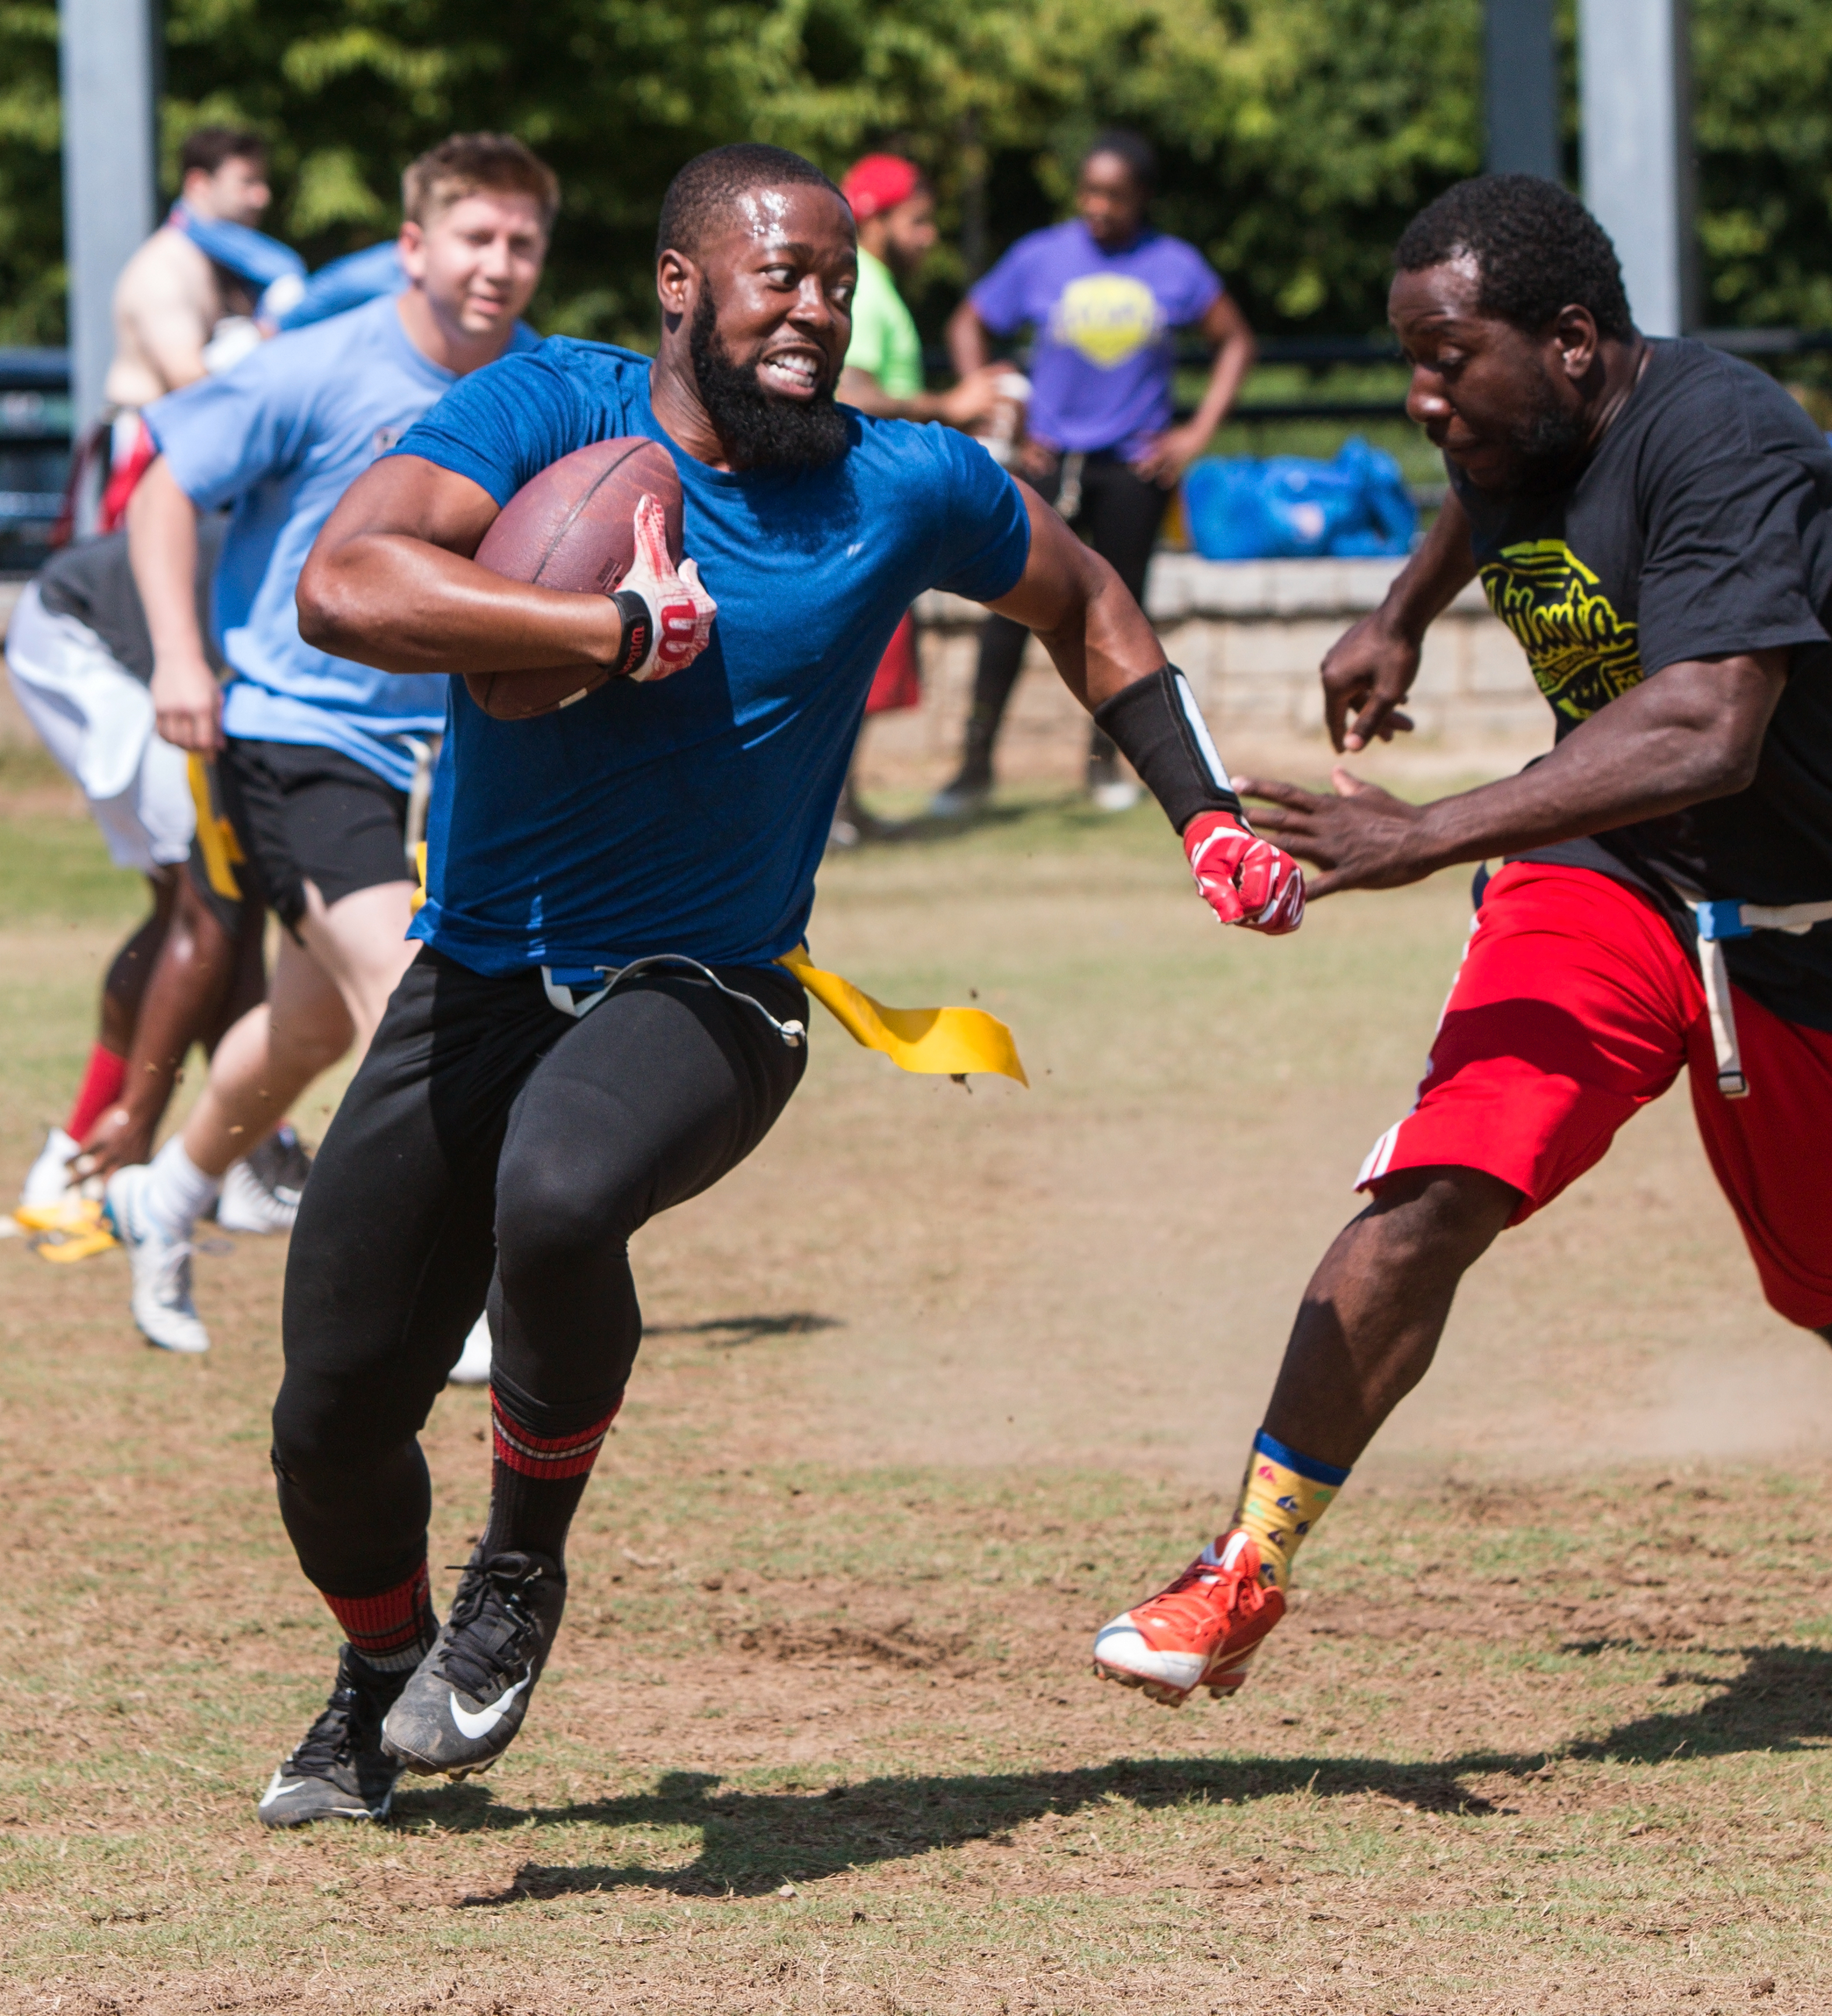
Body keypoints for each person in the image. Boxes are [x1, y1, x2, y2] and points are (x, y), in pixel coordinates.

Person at [244, 142, 1305, 1827]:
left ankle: (516, 1578)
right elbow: (343, 581)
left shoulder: (905, 479)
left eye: (835, 279)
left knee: (562, 1187)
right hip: (486, 970)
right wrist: (601, 630)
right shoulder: (545, 412)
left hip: (719, 988)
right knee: (327, 1420)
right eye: (777, 277)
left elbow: (1086, 591)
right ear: (682, 286)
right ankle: (382, 1677)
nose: (814, 308)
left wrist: (1206, 815)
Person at [1089, 175, 1832, 1708]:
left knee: (1824, 1281)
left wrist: (1423, 829)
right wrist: (1400, 610)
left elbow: (1705, 725)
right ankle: (1242, 1564)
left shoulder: (1730, 445)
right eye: (1412, 360)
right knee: (1441, 1179)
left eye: (1445, 359)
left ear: (1577, 343)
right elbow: (1493, 485)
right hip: (1601, 875)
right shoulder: (1522, 423)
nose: (1421, 398)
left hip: (1822, 933)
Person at [108, 134, 563, 1363]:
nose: (500, 263)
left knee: (307, 1029)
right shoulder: (311, 369)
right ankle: (451, 1294)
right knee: (406, 998)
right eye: (477, 236)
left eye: (523, 242)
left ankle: (166, 1193)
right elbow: (161, 486)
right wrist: (179, 657)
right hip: (296, 736)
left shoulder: (544, 387)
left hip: (452, 753)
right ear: (413, 246)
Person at [932, 131, 1253, 816]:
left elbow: (1235, 341)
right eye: (1089, 191)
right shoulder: (1042, 256)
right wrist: (991, 403)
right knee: (1005, 610)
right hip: (1046, 461)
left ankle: (1103, 767)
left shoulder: (1174, 266)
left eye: (1114, 193)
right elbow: (969, 322)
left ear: (1140, 197)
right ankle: (973, 766)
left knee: (1119, 617)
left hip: (1131, 470)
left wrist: (1192, 434)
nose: (1098, 205)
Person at [1, 529, 302, 1235]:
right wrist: (140, 1115)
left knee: (226, 901)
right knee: (205, 902)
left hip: (143, 651)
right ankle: (100, 1154)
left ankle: (247, 1151)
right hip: (85, 642)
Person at [828, 152, 1008, 843]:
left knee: (870, 662)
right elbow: (854, 393)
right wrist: (953, 405)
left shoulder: (869, 284)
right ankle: (833, 812)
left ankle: (844, 807)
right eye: (918, 220)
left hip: (874, 506)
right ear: (873, 218)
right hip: (858, 507)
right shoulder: (863, 288)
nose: (929, 236)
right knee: (857, 663)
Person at [94, 127, 307, 531]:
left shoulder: (230, 267)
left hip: (199, 453)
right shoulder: (165, 268)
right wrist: (263, 340)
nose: (262, 197)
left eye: (262, 182)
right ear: (199, 184)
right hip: (149, 454)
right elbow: (189, 379)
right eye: (247, 182)